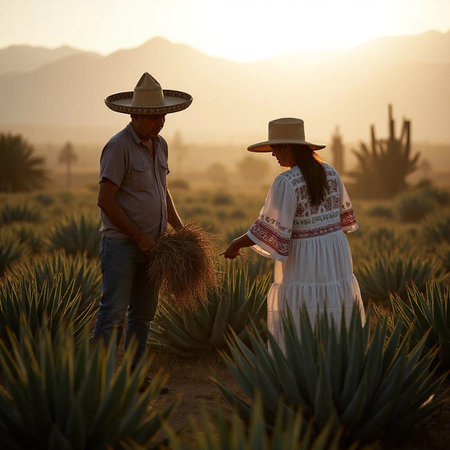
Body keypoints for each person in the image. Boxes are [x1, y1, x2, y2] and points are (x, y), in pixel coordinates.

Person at [223, 118, 365, 347]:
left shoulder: (286, 182)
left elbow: (266, 229)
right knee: (332, 304)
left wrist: (236, 244)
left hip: (305, 258)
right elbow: (342, 221)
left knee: (301, 310)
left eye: (275, 149)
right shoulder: (330, 172)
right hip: (334, 251)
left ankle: (300, 362)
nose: (273, 154)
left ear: (287, 148)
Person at [93, 73, 192, 389]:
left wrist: (179, 228)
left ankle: (136, 376)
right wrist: (139, 236)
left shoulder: (160, 145)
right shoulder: (118, 147)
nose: (159, 122)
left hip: (156, 248)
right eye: (152, 117)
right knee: (112, 315)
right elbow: (105, 200)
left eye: (162, 115)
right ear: (134, 115)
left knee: (143, 316)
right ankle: (99, 382)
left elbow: (162, 189)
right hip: (123, 246)